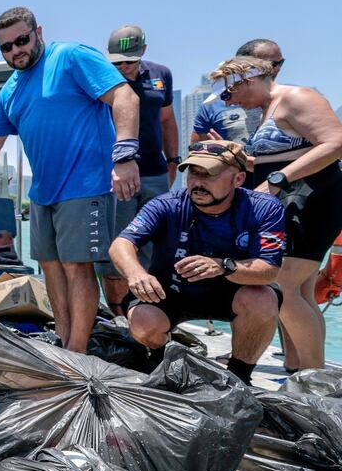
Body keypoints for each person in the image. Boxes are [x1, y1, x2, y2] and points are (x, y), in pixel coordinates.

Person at [0, 6, 140, 352]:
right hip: (42, 193)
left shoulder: (70, 56)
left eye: (21, 40)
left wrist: (126, 156)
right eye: (6, 47)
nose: (15, 51)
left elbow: (124, 96)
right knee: (51, 268)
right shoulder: (9, 90)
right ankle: (64, 341)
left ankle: (78, 351)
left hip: (85, 185)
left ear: (38, 32)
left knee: (77, 266)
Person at [109, 140, 285, 385]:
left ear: (238, 179)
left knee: (263, 298)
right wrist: (136, 273)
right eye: (193, 172)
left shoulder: (264, 208)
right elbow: (121, 244)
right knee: (143, 320)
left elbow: (269, 270)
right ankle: (164, 361)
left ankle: (239, 376)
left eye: (210, 174)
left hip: (232, 293)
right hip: (170, 291)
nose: (198, 182)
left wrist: (224, 266)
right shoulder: (167, 204)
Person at [208, 56, 342, 371]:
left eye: (230, 93)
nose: (231, 102)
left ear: (246, 80)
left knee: (281, 286)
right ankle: (299, 371)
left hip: (312, 196)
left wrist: (277, 180)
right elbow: (283, 155)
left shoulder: (297, 96)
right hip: (293, 197)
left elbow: (335, 143)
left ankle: (315, 379)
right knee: (301, 291)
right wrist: (239, 158)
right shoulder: (268, 109)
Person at [97, 25, 180, 316]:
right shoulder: (100, 79)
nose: (122, 67)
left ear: (143, 51)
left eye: (128, 61)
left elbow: (167, 120)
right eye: (116, 62)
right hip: (114, 175)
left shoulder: (161, 75)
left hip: (155, 172)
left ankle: (149, 311)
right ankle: (119, 315)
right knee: (117, 243)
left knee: (155, 244)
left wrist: (173, 161)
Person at [192, 38, 284, 144]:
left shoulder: (291, 98)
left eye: (280, 63)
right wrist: (221, 152)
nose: (277, 69)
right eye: (270, 65)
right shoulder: (210, 106)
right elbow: (197, 151)